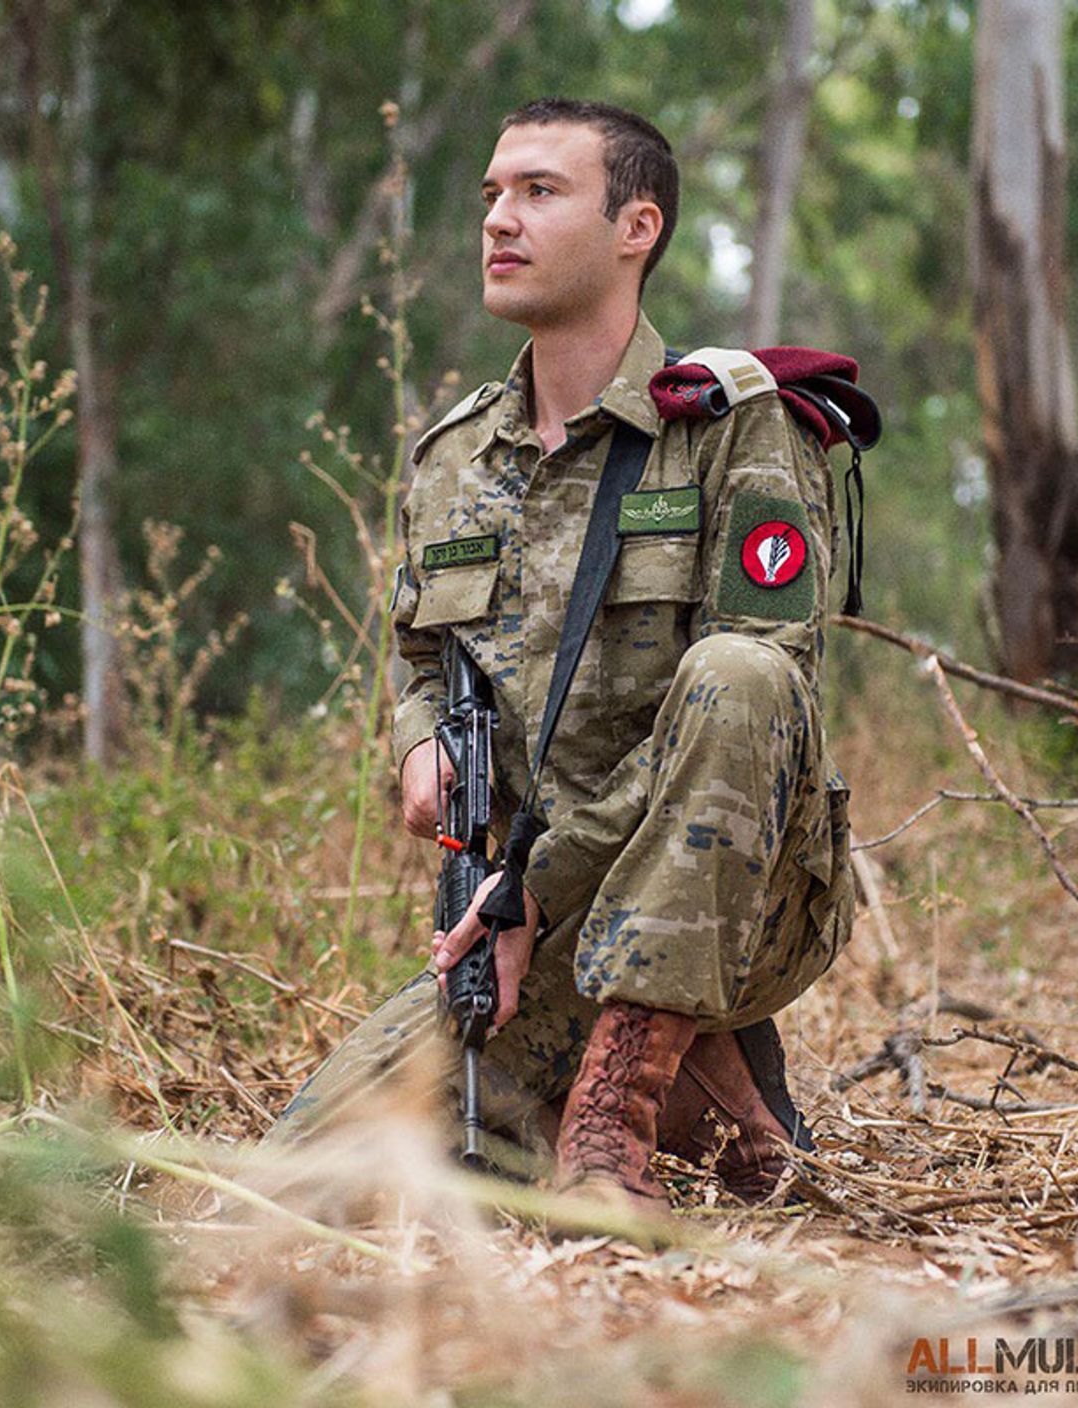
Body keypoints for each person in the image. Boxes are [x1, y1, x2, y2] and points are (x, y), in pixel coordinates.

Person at [275, 98, 856, 1214]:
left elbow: (766, 688)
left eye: (540, 192)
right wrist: (415, 749)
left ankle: (622, 1105)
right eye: (492, 194)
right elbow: (416, 657)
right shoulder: (452, 457)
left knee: (738, 674)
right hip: (526, 911)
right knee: (310, 1174)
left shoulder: (733, 426)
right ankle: (712, 1087)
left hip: (735, 894)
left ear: (635, 226)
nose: (499, 218)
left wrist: (536, 887)